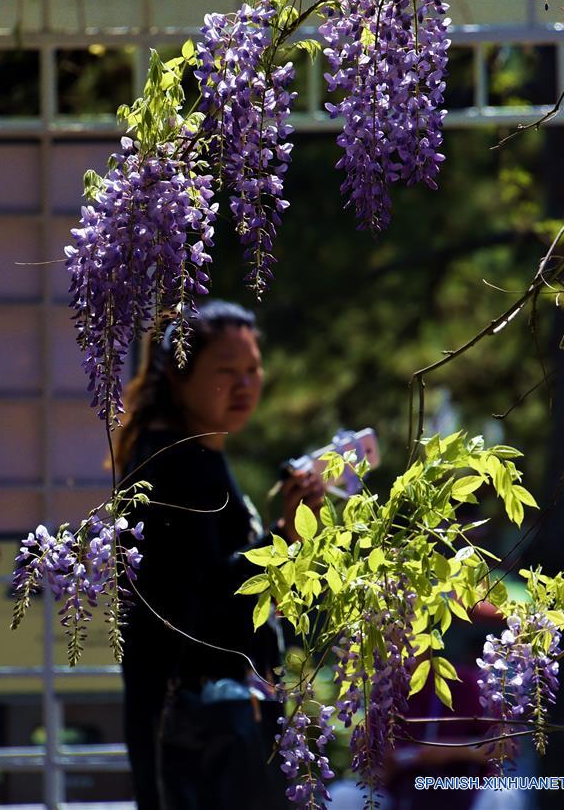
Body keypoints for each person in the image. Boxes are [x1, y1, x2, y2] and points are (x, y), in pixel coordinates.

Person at [115, 300, 325, 810]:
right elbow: (197, 604)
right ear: (181, 378)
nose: (245, 385)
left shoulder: (200, 457)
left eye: (253, 370)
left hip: (212, 730)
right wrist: (283, 539)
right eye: (225, 372)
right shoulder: (174, 466)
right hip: (196, 736)